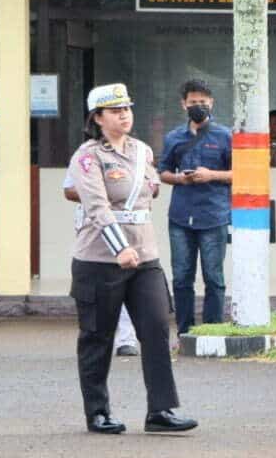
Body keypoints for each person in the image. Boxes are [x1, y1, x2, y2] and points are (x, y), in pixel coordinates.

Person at [69, 84, 196, 435]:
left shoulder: (142, 151)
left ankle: (161, 410)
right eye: (115, 110)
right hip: (99, 259)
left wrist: (135, 249)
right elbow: (97, 207)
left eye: (126, 108)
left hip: (145, 257)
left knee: (156, 328)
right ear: (98, 118)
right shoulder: (88, 156)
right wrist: (119, 248)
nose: (124, 115)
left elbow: (150, 191)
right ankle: (97, 412)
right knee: (97, 336)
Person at [158, 79, 232, 335]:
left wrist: (211, 175)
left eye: (202, 102)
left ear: (211, 103)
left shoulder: (225, 136)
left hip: (214, 215)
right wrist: (180, 178)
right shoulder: (173, 138)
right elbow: (163, 172)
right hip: (180, 217)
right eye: (193, 102)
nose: (198, 106)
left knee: (214, 277)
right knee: (181, 278)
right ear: (184, 104)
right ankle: (185, 333)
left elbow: (241, 174)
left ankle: (212, 332)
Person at [64, 168, 140, 357]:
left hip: (127, 224)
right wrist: (100, 195)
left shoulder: (135, 156)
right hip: (93, 228)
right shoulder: (84, 158)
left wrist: (121, 192)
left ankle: (126, 340)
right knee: (98, 286)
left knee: (125, 278)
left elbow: (152, 189)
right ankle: (99, 341)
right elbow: (69, 190)